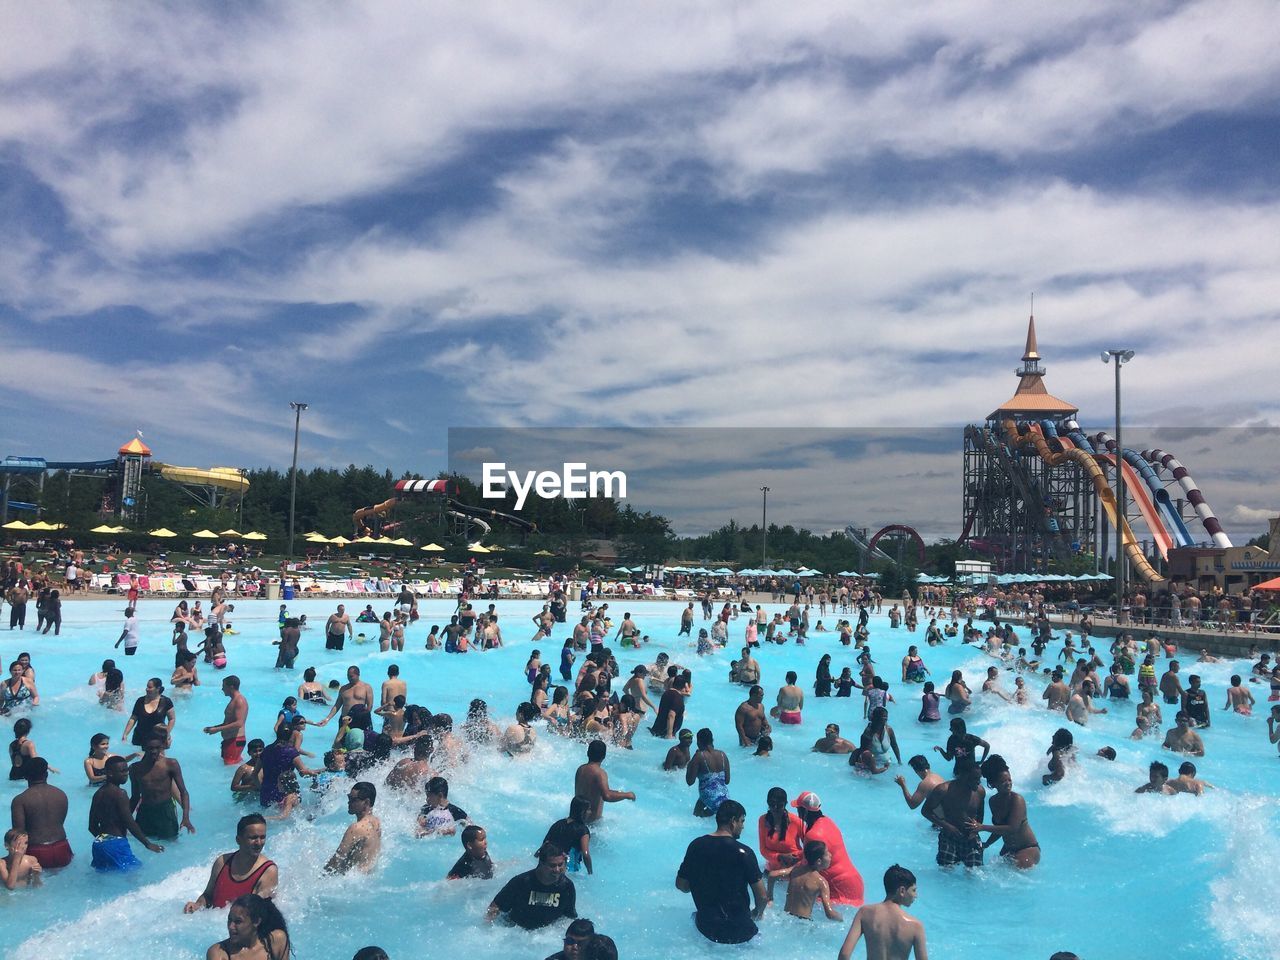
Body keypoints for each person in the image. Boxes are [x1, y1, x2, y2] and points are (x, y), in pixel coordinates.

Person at [675, 799, 767, 944]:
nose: (742, 827)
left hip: (707, 931)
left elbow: (681, 886)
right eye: (742, 821)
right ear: (733, 821)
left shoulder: (696, 846)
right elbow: (762, 897)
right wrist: (757, 912)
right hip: (741, 934)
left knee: (694, 916)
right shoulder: (745, 853)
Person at [185, 814, 278, 911]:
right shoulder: (222, 862)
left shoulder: (268, 871)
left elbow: (261, 913)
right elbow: (208, 895)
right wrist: (197, 905)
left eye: (262, 837)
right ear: (238, 840)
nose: (259, 842)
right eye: (253, 837)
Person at [836, 864, 928, 960]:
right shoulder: (915, 926)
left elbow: (844, 955)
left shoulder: (864, 913)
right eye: (913, 890)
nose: (915, 895)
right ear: (902, 891)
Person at [88, 755, 163, 870]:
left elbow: (92, 827)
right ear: (110, 773)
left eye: (127, 770)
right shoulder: (120, 793)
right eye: (122, 771)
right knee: (135, 875)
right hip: (116, 844)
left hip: (99, 844)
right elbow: (129, 822)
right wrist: (147, 843)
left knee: (105, 878)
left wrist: (106, 843)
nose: (126, 774)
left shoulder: (98, 794)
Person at [791, 791, 864, 904]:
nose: (797, 812)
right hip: (854, 881)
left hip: (838, 886)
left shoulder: (813, 835)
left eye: (798, 809)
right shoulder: (827, 821)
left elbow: (807, 866)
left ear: (804, 811)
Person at [487, 842, 578, 929]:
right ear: (541, 864)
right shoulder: (521, 882)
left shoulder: (566, 886)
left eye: (560, 864)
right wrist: (488, 928)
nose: (557, 870)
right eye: (552, 865)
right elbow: (495, 906)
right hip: (516, 930)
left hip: (544, 934)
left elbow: (568, 918)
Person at [969, 755, 1039, 869]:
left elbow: (1012, 828)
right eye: (1003, 781)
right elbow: (999, 829)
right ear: (993, 784)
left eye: (1009, 779)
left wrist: (982, 827)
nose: (1008, 783)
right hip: (1008, 849)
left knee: (1017, 871)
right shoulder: (993, 801)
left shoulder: (1017, 800)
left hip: (1028, 848)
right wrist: (987, 844)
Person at [11, 756, 73, 868]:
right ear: (46, 774)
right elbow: (60, 821)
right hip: (63, 848)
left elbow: (19, 834)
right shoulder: (61, 794)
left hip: (36, 852)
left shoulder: (20, 800)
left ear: (25, 776)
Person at [129, 736, 195, 839]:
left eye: (157, 748)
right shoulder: (135, 768)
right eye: (150, 748)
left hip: (165, 810)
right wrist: (125, 821)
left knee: (170, 842)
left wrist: (186, 817)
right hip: (145, 812)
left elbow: (184, 792)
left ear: (162, 747)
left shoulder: (171, 764)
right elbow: (135, 797)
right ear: (144, 748)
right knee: (144, 842)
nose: (154, 751)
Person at [923, 761, 986, 868]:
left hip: (971, 837)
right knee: (946, 872)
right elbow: (926, 811)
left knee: (975, 872)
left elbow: (980, 815)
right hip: (949, 837)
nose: (978, 782)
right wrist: (947, 826)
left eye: (979, 778)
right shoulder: (943, 790)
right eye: (975, 778)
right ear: (964, 776)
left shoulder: (980, 792)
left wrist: (975, 831)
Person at [206, 893, 291, 960]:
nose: (231, 927)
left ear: (256, 921)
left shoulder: (275, 941)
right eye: (230, 920)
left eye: (238, 921)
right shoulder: (219, 954)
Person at [573, 739, 636, 823]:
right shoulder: (600, 773)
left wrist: (617, 792)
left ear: (588, 753)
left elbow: (592, 790)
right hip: (591, 823)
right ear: (604, 756)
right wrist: (627, 795)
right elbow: (607, 796)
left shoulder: (581, 769)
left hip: (577, 818)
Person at [325, 781, 381, 874]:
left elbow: (336, 861)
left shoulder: (356, 828)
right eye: (349, 797)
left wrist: (320, 877)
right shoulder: (376, 822)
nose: (348, 802)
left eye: (353, 799)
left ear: (366, 802)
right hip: (368, 877)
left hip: (353, 880)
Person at [780, 839, 843, 921]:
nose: (830, 855)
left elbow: (772, 875)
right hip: (803, 922)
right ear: (819, 861)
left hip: (785, 917)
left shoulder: (795, 871)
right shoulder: (821, 882)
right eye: (827, 853)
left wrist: (770, 897)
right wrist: (842, 919)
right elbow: (829, 914)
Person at [204, 675, 249, 765]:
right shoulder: (234, 700)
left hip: (235, 740)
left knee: (230, 767)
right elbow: (229, 722)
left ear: (231, 687)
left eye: (224, 686)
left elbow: (239, 723)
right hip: (231, 740)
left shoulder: (240, 700)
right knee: (229, 766)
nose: (222, 689)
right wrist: (214, 727)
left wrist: (217, 729)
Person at [757, 786, 804, 871]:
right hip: (772, 869)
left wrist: (794, 856)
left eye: (779, 805)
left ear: (785, 804)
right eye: (772, 804)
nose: (775, 808)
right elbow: (763, 850)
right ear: (767, 803)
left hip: (794, 869)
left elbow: (809, 847)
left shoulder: (796, 821)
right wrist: (779, 857)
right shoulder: (762, 820)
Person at [686, 728, 730, 817]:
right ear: (712, 740)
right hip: (725, 797)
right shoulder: (722, 754)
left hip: (709, 799)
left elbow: (690, 782)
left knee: (697, 819)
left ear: (699, 742)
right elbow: (727, 781)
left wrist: (690, 764)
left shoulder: (699, 756)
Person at [543, 796, 593, 874]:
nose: (590, 812)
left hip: (551, 867)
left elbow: (544, 845)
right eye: (589, 809)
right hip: (568, 871)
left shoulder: (558, 824)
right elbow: (585, 855)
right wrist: (590, 872)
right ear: (582, 811)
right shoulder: (583, 830)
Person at [122, 677, 175, 748]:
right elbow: (133, 718)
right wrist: (125, 734)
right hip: (139, 737)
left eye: (150, 687)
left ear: (158, 688)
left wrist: (167, 733)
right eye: (147, 687)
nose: (147, 689)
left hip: (157, 737)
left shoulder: (166, 701)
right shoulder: (140, 701)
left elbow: (172, 719)